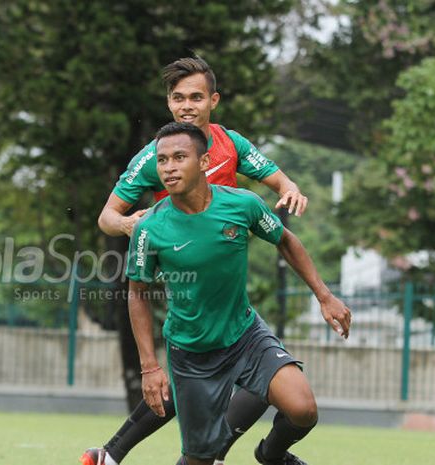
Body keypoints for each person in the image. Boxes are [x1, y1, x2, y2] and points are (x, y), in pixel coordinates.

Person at [82, 57, 308, 465]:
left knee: (253, 379)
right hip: (183, 268)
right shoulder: (155, 156)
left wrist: (290, 187)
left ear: (213, 101)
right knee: (203, 363)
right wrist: (131, 224)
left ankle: (119, 454)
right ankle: (131, 453)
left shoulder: (231, 144)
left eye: (196, 97)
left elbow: (275, 177)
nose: (187, 105)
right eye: (177, 98)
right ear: (169, 104)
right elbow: (106, 217)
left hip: (226, 264)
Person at [126, 121, 351, 465]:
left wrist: (324, 295)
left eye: (179, 157)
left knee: (302, 409)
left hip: (245, 336)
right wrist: (149, 367)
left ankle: (272, 455)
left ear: (203, 162)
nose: (169, 168)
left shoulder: (243, 205)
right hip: (192, 354)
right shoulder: (149, 229)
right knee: (200, 458)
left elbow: (286, 241)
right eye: (162, 160)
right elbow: (137, 293)